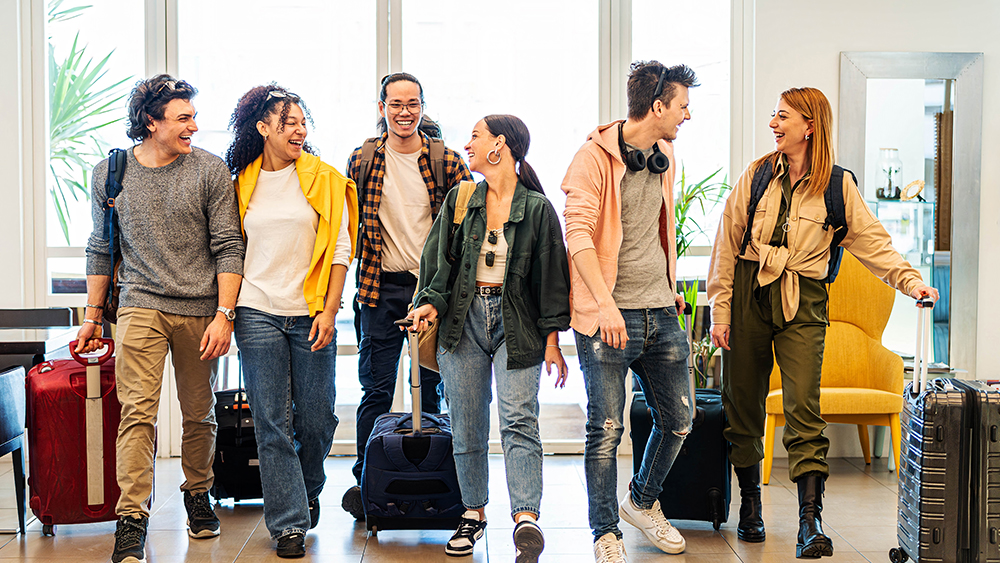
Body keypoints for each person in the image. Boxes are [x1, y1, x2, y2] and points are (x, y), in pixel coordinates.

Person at [706, 87, 939, 559]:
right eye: (774, 115)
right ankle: (751, 505)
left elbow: (873, 241)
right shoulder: (756, 176)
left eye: (784, 117)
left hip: (804, 298)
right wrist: (721, 310)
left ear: (810, 126)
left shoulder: (837, 184)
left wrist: (912, 282)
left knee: (803, 408)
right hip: (750, 291)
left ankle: (809, 523)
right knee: (744, 402)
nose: (774, 124)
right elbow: (726, 245)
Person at [75, 74, 245, 563]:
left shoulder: (210, 171)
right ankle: (132, 517)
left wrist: (224, 315)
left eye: (193, 115)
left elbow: (229, 246)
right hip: (139, 305)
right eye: (183, 117)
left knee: (199, 412)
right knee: (137, 414)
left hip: (198, 309)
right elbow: (100, 247)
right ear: (151, 122)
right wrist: (91, 316)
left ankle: (198, 492)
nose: (194, 125)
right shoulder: (112, 174)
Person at [408, 115, 571, 561]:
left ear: (500, 145)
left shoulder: (537, 208)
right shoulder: (462, 200)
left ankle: (525, 519)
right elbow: (438, 262)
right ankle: (473, 514)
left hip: (518, 325)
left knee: (519, 419)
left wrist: (553, 342)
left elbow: (552, 282)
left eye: (476, 136)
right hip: (463, 321)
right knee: (466, 422)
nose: (468, 143)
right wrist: (428, 302)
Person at [560, 61, 698, 563]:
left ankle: (641, 501)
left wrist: (668, 286)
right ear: (657, 106)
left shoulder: (664, 153)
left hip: (661, 310)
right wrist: (604, 304)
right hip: (606, 317)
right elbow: (577, 236)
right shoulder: (590, 159)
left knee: (680, 418)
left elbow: (655, 231)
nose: (688, 114)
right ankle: (605, 533)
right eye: (682, 105)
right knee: (606, 429)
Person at [224, 85, 358, 558]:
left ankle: (306, 487)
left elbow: (341, 251)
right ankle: (289, 523)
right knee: (271, 420)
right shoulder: (239, 182)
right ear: (263, 128)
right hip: (256, 309)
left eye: (304, 122)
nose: (300, 130)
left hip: (311, 312)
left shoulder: (324, 178)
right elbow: (229, 251)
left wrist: (329, 310)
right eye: (289, 122)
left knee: (318, 418)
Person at [341, 72, 473, 519]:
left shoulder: (448, 162)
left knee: (431, 390)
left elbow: (469, 230)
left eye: (412, 103)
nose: (404, 111)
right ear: (382, 107)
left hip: (432, 293)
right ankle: (367, 486)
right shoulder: (361, 160)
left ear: (422, 106)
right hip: (380, 289)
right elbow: (347, 225)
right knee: (375, 390)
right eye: (396, 103)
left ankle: (430, 483)